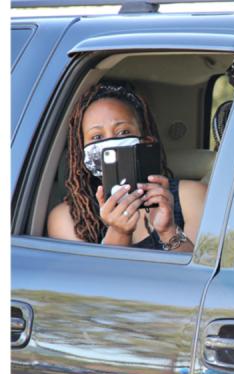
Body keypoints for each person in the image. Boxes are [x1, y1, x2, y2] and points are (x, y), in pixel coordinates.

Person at [47, 80, 207, 251]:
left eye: (123, 132)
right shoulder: (66, 218)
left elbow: (201, 274)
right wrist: (119, 233)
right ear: (81, 152)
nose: (111, 143)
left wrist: (168, 230)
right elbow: (94, 278)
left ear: (145, 140)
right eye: (96, 137)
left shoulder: (190, 196)